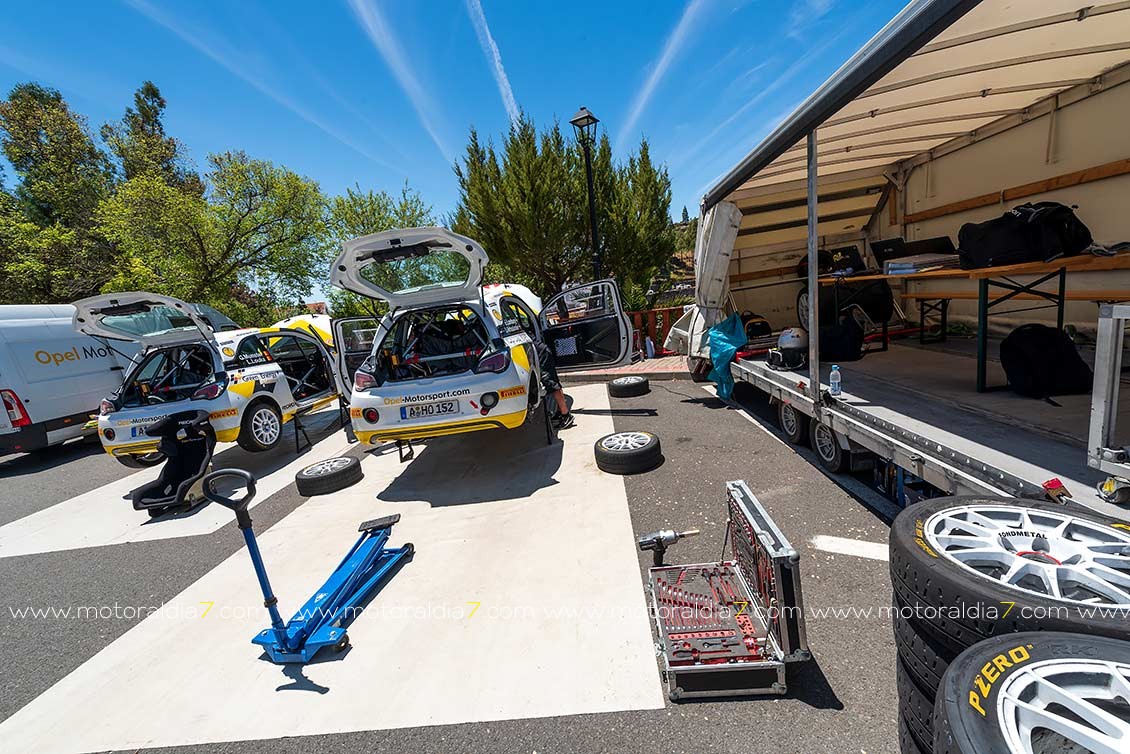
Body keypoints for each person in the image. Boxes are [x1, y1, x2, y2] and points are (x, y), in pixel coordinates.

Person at [536, 340, 573, 430]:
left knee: (551, 384)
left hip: (541, 354)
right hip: (541, 352)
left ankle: (566, 415)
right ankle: (562, 412)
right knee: (552, 383)